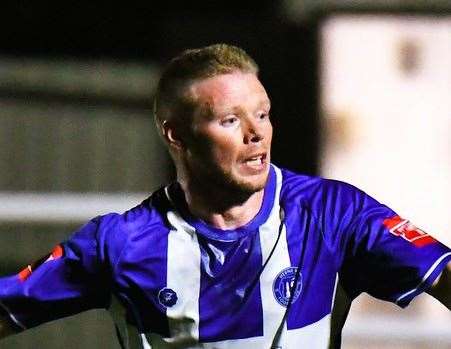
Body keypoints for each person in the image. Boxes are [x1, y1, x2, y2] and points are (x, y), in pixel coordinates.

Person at [0, 43, 449, 349]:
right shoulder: (122, 244)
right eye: (230, 120)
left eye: (262, 113)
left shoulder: (332, 215)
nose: (257, 134)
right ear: (176, 135)